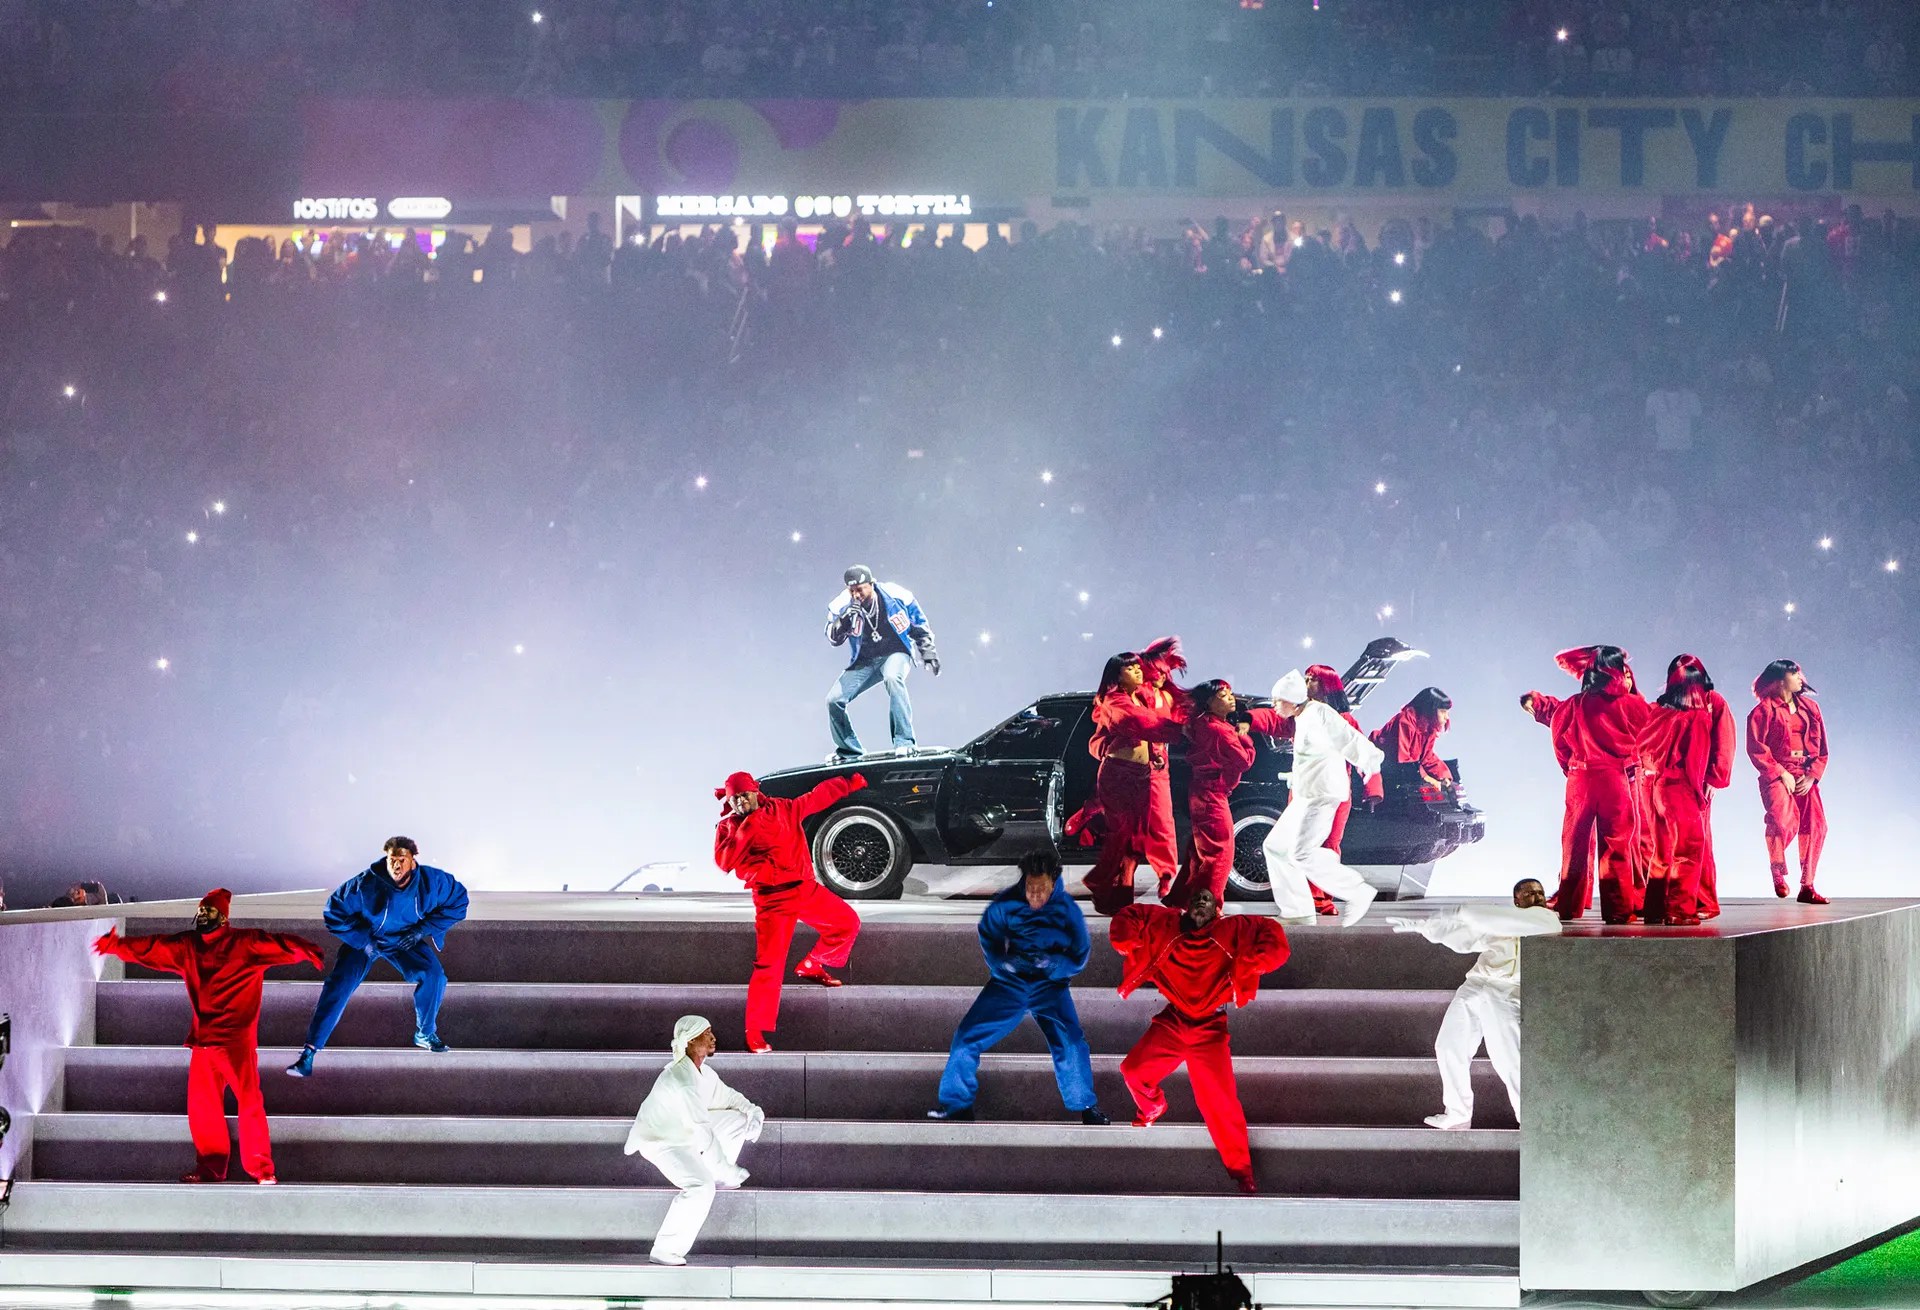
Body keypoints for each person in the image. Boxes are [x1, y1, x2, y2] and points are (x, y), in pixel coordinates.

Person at [93, 889, 324, 1182]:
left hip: (236, 1042)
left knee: (249, 1102)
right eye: (201, 911)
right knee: (202, 1108)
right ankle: (211, 1168)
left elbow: (278, 943)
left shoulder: (246, 943)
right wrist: (117, 946)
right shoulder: (189, 946)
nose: (202, 916)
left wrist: (306, 949)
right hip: (204, 1042)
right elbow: (154, 948)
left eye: (208, 911)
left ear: (223, 917)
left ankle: (262, 1169)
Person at [1110, 889, 1290, 1193]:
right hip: (1174, 1021)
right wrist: (1126, 941)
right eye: (1196, 899)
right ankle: (1152, 1107)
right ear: (1186, 906)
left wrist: (1255, 961)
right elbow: (1130, 915)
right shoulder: (1166, 923)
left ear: (1217, 910)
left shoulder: (1231, 929)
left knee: (1218, 1103)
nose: (1201, 902)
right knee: (1133, 1071)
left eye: (1207, 899)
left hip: (1209, 1029)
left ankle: (1241, 1170)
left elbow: (1271, 932)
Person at [928, 849, 1108, 1124]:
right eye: (1030, 888)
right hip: (1010, 984)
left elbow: (1079, 955)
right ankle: (957, 1105)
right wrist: (1002, 964)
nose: (1035, 895)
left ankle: (1086, 1107)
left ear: (1053, 884)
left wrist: (1053, 964)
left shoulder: (1068, 910)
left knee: (1071, 1043)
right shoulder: (1005, 903)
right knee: (966, 1038)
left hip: (1049, 986)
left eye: (1042, 889)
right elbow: (988, 934)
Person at [286, 836, 469, 1077]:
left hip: (404, 940)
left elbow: (459, 901)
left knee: (434, 976)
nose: (396, 865)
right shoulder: (365, 884)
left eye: (402, 859)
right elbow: (333, 912)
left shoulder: (432, 882)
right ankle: (309, 1053)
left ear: (413, 860)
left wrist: (421, 930)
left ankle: (425, 1033)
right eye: (392, 859)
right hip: (367, 940)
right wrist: (364, 941)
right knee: (339, 985)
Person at [1385, 879, 1559, 1129]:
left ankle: (1530, 1120)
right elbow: (1465, 938)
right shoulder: (1499, 922)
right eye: (1530, 893)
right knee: (1449, 1046)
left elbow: (1491, 919)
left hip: (1506, 990)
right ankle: (1457, 1112)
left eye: (1540, 892)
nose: (1538, 897)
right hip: (1475, 984)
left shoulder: (1546, 920)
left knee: (1509, 1059)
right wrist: (1427, 928)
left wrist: (1463, 911)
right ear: (1517, 900)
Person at [713, 770, 866, 1052]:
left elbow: (816, 797)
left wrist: (847, 783)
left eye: (744, 796)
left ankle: (812, 964)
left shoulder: (783, 808)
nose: (740, 802)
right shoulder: (728, 826)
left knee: (848, 922)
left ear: (755, 792)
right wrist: (746, 829)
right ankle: (755, 1030)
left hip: (804, 889)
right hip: (771, 900)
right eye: (735, 799)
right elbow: (724, 862)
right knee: (768, 965)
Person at [625, 1015, 765, 1266]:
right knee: (700, 1187)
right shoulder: (681, 1078)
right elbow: (701, 1130)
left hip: (684, 1133)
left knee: (737, 1119)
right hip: (662, 1141)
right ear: (690, 1041)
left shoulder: (706, 1074)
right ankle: (665, 1249)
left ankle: (718, 1174)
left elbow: (734, 1100)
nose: (713, 1038)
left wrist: (755, 1115)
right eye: (706, 1034)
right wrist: (727, 1168)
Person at [1531, 647, 1650, 924]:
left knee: (1574, 845)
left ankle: (1569, 906)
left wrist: (1571, 767)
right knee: (1616, 844)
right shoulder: (1633, 706)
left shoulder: (1573, 704)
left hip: (1580, 779)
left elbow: (1559, 741)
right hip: (1616, 779)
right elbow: (1648, 741)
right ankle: (1618, 910)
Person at [1260, 669, 1386, 925]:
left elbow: (1350, 740)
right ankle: (1298, 911)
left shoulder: (1320, 713)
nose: (1274, 706)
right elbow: (1313, 758)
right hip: (1306, 795)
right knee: (1275, 847)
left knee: (1302, 853)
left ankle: (1357, 892)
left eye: (1277, 701)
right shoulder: (1302, 717)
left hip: (1323, 795)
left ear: (1291, 699)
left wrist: (1371, 763)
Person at [1081, 653, 1185, 915]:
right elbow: (1138, 722)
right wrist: (1180, 731)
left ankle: (1120, 895)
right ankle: (1102, 885)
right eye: (1130, 668)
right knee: (1122, 835)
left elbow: (1145, 731)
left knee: (1135, 839)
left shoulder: (1139, 698)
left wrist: (1155, 754)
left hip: (1142, 773)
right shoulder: (1114, 700)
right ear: (1117, 675)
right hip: (1119, 775)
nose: (1138, 671)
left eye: (1139, 667)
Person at [1638, 656, 1736, 925]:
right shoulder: (1694, 713)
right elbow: (1702, 753)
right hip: (1685, 784)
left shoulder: (1664, 709)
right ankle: (1680, 909)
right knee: (1690, 847)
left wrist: (1715, 778)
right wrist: (1705, 785)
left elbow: (1724, 743)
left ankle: (1659, 907)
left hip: (1659, 784)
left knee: (1665, 848)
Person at [824, 565, 939, 761]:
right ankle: (849, 750)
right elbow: (833, 638)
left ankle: (905, 742)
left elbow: (918, 623)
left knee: (893, 678)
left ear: (871, 584)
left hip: (895, 653)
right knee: (833, 699)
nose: (856, 595)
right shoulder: (841, 605)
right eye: (852, 591)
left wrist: (928, 651)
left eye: (860, 589)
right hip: (865, 662)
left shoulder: (896, 594)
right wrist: (843, 621)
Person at [1746, 659, 1829, 904]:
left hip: (1805, 772)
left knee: (1816, 826)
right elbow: (1756, 748)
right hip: (1777, 772)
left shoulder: (1811, 708)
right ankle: (1777, 870)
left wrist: (1812, 775)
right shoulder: (1762, 711)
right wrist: (1780, 772)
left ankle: (1807, 885)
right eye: (1794, 674)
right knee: (1781, 820)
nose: (1800, 678)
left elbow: (1822, 749)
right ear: (1780, 680)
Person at [1371, 687, 1456, 797]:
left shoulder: (1429, 728)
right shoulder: (1404, 722)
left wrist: (1444, 776)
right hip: (1384, 770)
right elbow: (1402, 759)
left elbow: (1428, 757)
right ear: (1429, 710)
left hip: (1405, 770)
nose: (1447, 717)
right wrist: (1427, 778)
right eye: (1443, 712)